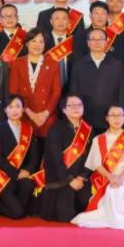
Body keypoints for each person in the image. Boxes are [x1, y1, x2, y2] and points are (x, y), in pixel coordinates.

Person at [71, 104, 124, 229]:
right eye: (113, 115)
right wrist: (111, 177)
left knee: (115, 190)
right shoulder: (98, 139)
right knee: (111, 189)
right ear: (106, 118)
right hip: (104, 178)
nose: (117, 118)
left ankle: (118, 217)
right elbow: (97, 164)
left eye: (120, 115)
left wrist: (120, 178)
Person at [39, 95, 94, 223]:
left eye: (79, 105)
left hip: (81, 178)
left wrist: (81, 177)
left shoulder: (88, 129)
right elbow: (56, 160)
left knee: (87, 208)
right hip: (62, 178)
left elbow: (91, 158)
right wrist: (70, 180)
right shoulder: (56, 130)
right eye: (71, 105)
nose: (76, 108)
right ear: (64, 110)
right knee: (65, 217)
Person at [0, 95, 40, 219]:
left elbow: (34, 156)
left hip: (23, 175)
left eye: (18, 106)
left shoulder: (29, 130)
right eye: (10, 107)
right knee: (18, 214)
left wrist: (27, 170)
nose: (14, 110)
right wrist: (15, 173)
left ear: (23, 109)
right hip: (4, 176)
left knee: (29, 184)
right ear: (5, 110)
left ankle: (16, 207)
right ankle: (4, 207)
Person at [69, 28, 124, 131]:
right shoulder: (78, 65)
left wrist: (120, 117)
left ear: (106, 42)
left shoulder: (117, 65)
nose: (97, 42)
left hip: (110, 119)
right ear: (88, 43)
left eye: (100, 39)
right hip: (86, 119)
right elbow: (74, 92)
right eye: (93, 39)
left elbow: (122, 93)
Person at [8, 28, 62, 138]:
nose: (37, 45)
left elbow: (56, 92)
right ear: (27, 43)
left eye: (41, 42)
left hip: (47, 117)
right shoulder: (16, 64)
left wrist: (45, 114)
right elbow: (14, 91)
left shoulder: (53, 64)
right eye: (33, 41)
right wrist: (30, 114)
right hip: (24, 115)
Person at [43, 7, 76, 88]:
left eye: (64, 18)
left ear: (69, 22)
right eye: (57, 18)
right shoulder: (42, 41)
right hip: (47, 87)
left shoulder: (76, 41)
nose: (60, 22)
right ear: (51, 21)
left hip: (71, 88)